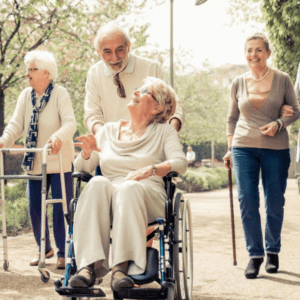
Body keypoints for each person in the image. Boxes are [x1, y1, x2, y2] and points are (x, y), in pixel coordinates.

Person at [69, 77, 187, 292]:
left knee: (128, 187)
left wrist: (151, 170)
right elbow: (83, 168)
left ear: (157, 107)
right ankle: (87, 266)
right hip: (110, 196)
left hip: (147, 194)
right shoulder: (106, 131)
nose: (135, 92)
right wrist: (86, 153)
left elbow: (180, 162)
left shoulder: (164, 132)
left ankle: (120, 268)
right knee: (96, 182)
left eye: (143, 91)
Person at [223, 33, 300, 279]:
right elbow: (232, 118)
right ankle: (255, 255)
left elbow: (295, 111)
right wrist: (229, 147)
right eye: (249, 50)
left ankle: (272, 250)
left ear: (267, 53)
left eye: (258, 50)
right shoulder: (237, 82)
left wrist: (279, 122)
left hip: (276, 147)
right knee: (247, 200)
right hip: (243, 147)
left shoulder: (283, 79)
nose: (253, 55)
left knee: (275, 203)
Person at [0, 50, 77, 269]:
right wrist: (3, 140)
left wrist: (58, 137)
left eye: (32, 70)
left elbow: (70, 123)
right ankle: (45, 248)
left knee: (60, 207)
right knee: (35, 207)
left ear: (46, 73)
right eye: (27, 70)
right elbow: (16, 124)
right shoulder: (26, 96)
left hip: (58, 160)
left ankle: (63, 252)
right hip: (35, 161)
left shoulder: (59, 93)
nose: (27, 74)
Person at [84, 22, 184, 135]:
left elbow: (173, 106)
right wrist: (106, 139)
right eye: (107, 52)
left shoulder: (151, 68)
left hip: (148, 144)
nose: (115, 58)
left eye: (120, 50)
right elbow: (92, 114)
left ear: (128, 46)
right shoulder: (94, 73)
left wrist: (171, 133)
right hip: (111, 145)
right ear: (98, 52)